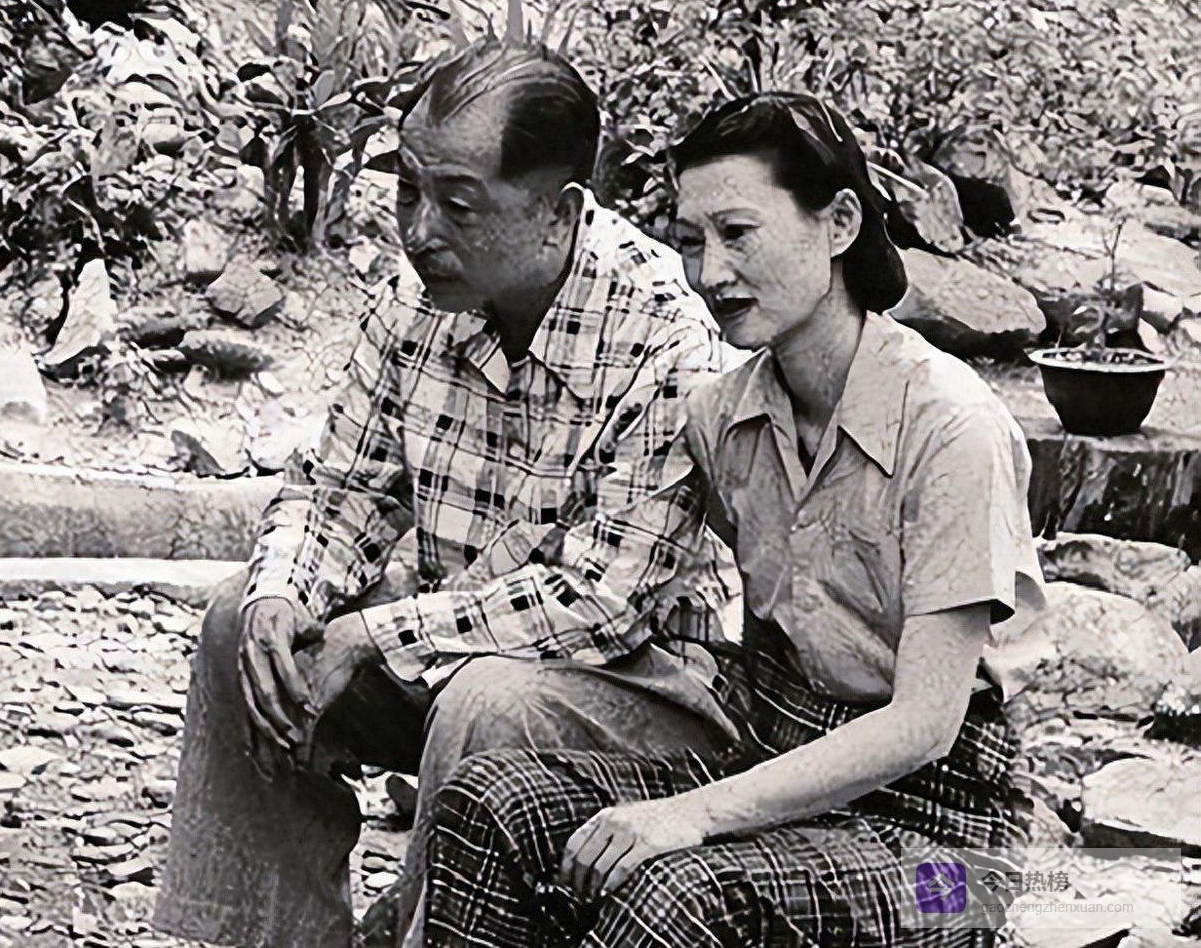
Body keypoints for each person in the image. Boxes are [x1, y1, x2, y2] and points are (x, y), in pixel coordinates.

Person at [152, 38, 741, 948]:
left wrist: (373, 634)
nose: (420, 230)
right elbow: (338, 487)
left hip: (640, 695)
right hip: (452, 650)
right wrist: (285, 595)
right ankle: (267, 936)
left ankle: (429, 933)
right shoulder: (413, 300)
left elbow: (604, 605)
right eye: (406, 191)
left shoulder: (667, 341)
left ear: (559, 213)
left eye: (458, 205)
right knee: (246, 624)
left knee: (489, 700)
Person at [422, 92, 1049, 947]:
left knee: (672, 889)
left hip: (947, 846)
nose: (711, 273)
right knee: (490, 803)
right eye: (691, 241)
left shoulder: (951, 427)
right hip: (778, 768)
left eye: (738, 233)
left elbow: (923, 726)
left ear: (839, 224)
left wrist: (693, 814)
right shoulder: (723, 417)